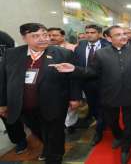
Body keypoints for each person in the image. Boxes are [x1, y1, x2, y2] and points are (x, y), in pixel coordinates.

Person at [51, 25, 131, 164]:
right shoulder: (101, 53)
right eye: (118, 34)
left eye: (124, 34)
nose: (123, 36)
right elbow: (91, 72)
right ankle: (119, 136)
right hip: (109, 95)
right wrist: (74, 69)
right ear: (108, 38)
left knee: (130, 124)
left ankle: (126, 148)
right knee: (112, 122)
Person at [0, 23, 81, 164]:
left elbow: (73, 78)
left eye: (45, 35)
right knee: (38, 131)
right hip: (23, 106)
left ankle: (55, 157)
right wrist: (2, 104)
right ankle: (49, 147)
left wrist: (75, 97)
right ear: (24, 38)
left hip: (54, 103)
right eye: (35, 36)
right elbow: (3, 80)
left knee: (55, 134)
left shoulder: (63, 53)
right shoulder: (12, 54)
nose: (42, 38)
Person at [74, 24, 109, 145]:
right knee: (93, 107)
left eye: (92, 32)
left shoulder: (108, 46)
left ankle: (99, 131)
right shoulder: (80, 46)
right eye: (87, 32)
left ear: (99, 34)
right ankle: (101, 121)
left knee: (102, 108)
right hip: (87, 83)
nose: (89, 34)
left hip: (104, 83)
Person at [0, 30, 28, 154]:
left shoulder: (4, 37)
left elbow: (17, 57)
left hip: (5, 82)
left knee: (8, 114)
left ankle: (20, 140)